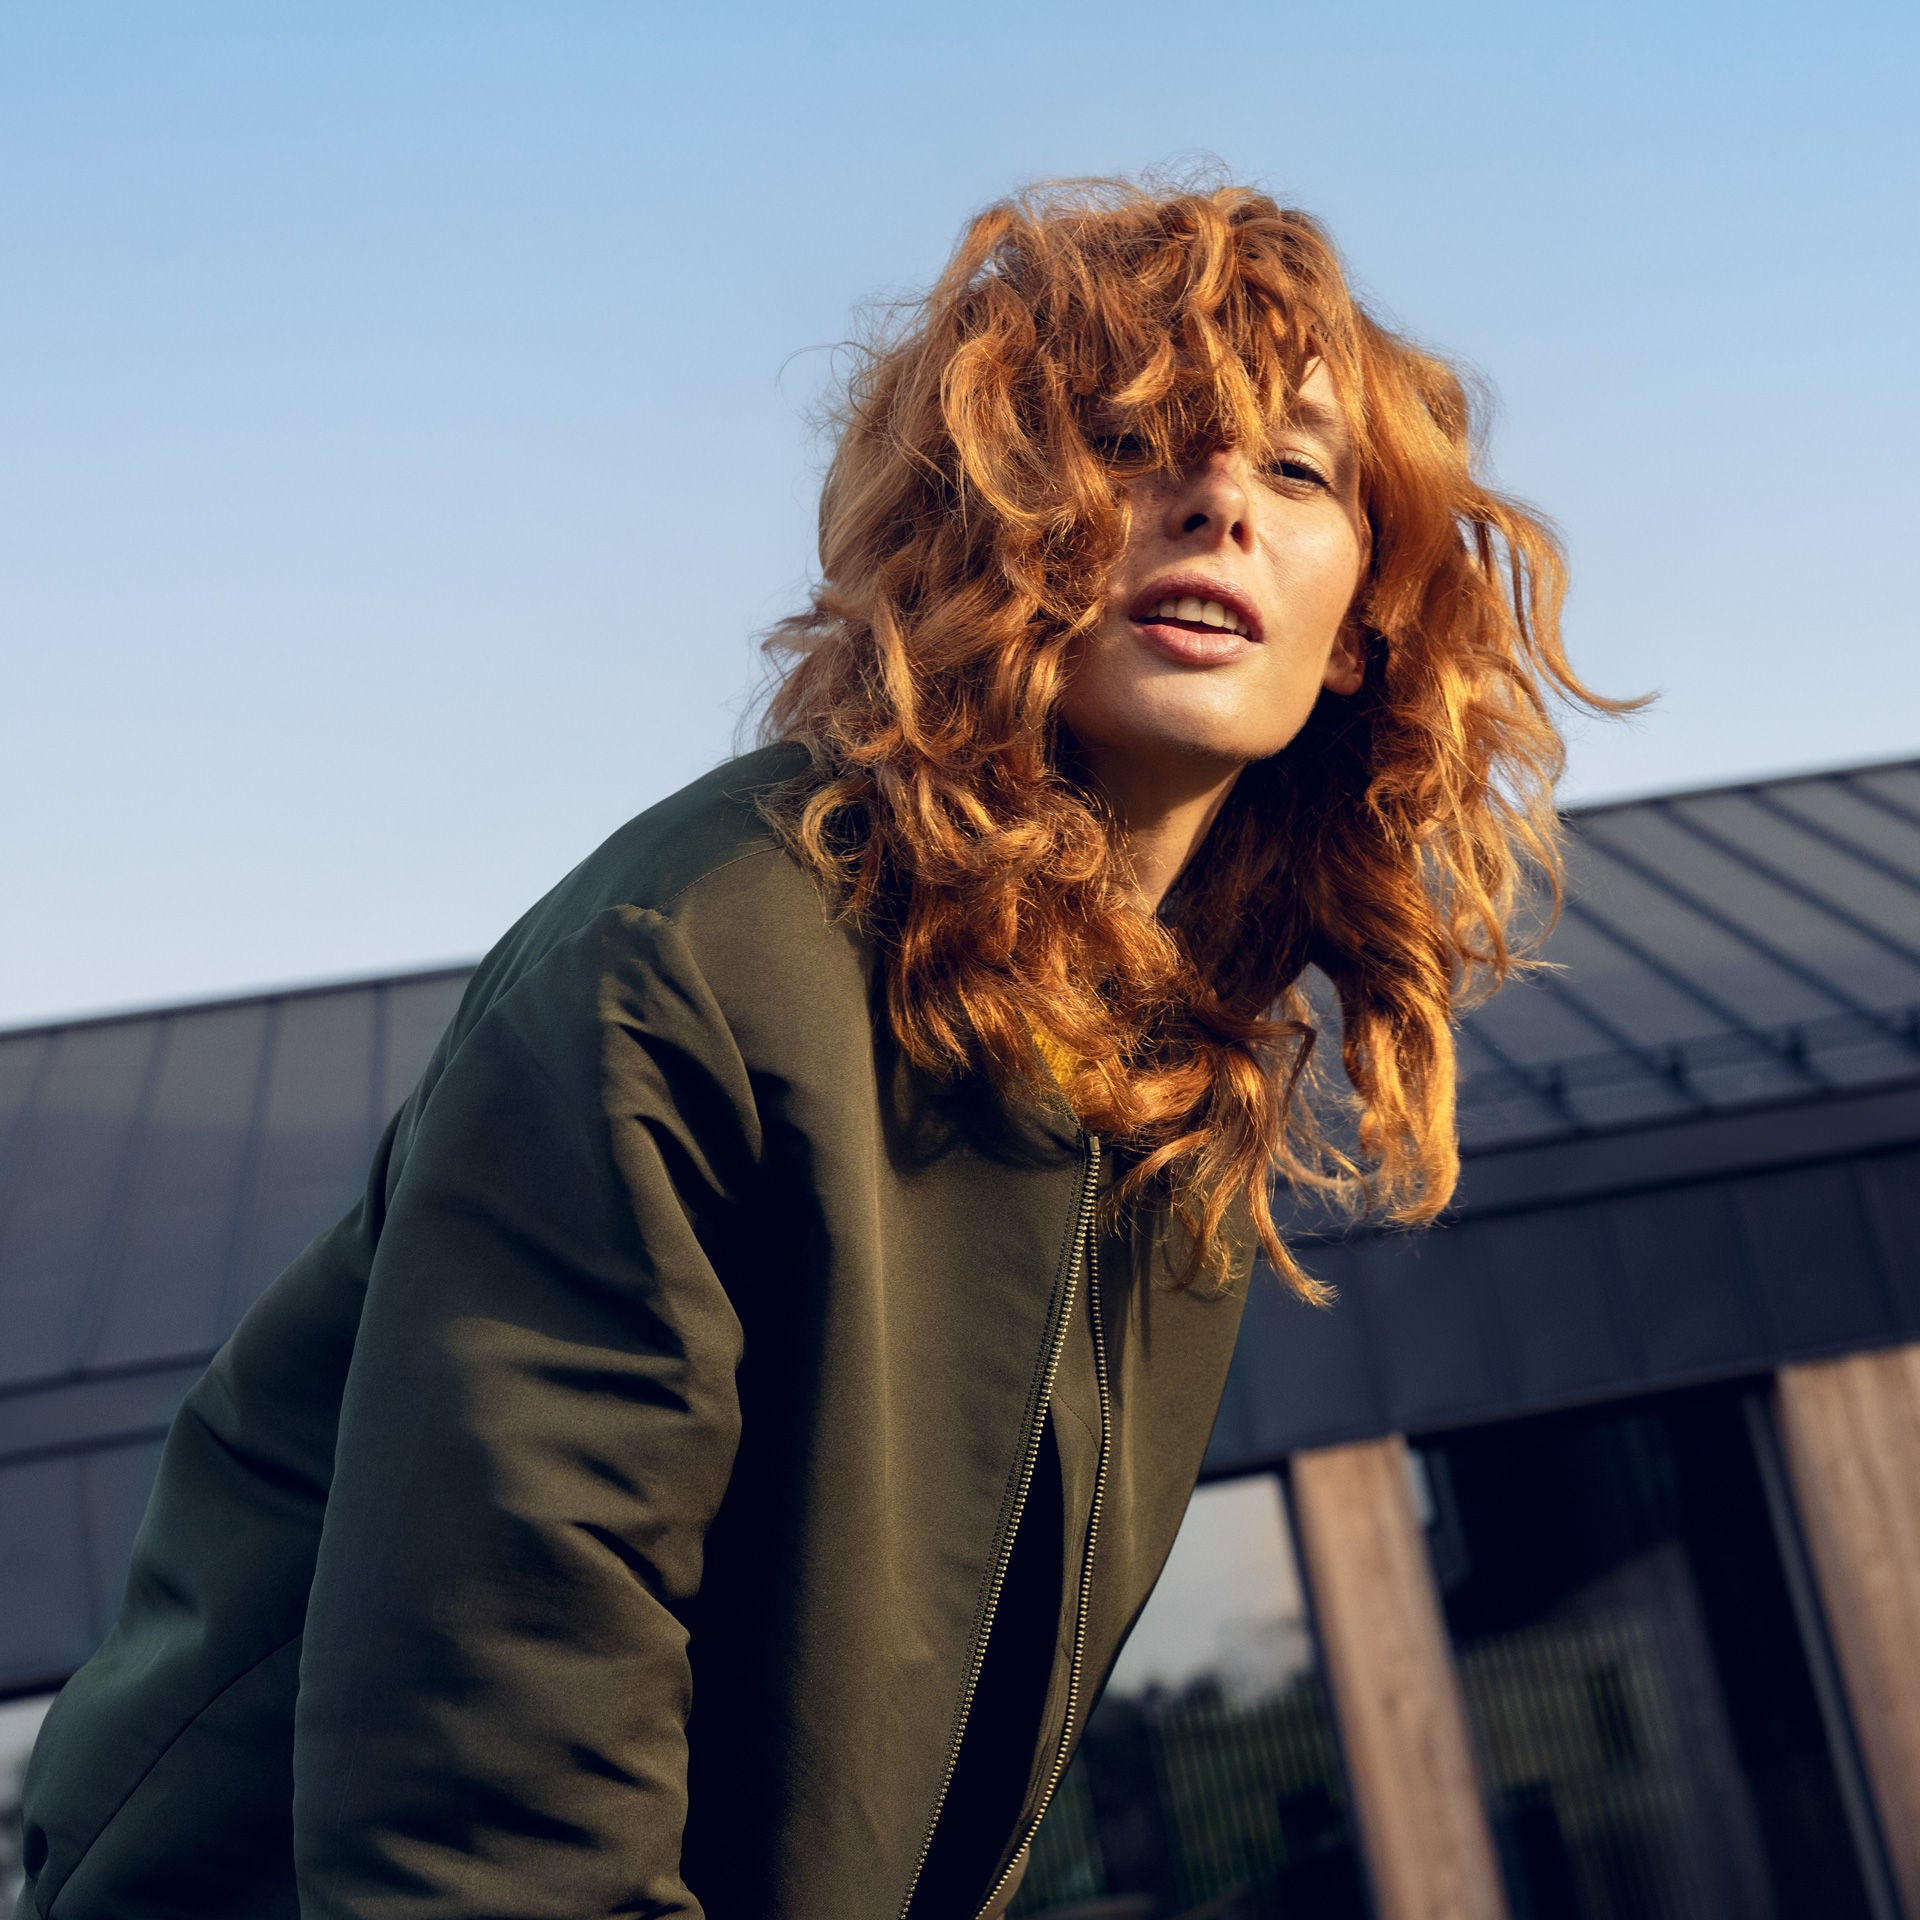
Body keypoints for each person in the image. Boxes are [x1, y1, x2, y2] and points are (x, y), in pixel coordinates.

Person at [20, 178, 1615, 1919]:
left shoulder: (1163, 1091)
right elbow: (489, 1835)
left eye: (1297, 470)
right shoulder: (700, 966)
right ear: (992, 514)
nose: (1220, 499)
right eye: (1134, 435)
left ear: (1366, 617)